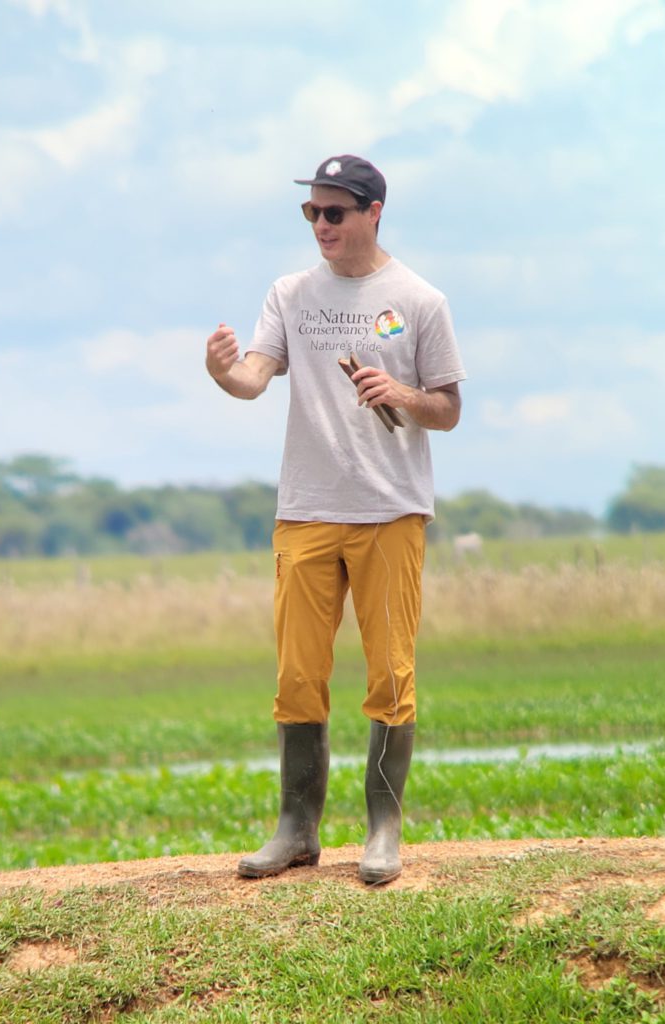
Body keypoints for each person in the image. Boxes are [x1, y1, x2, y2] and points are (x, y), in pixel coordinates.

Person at [205, 154, 466, 884]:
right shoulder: (290, 294)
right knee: (297, 674)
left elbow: (448, 409)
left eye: (334, 213)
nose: (320, 225)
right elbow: (254, 377)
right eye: (311, 213)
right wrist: (224, 372)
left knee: (389, 671)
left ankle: (383, 830)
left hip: (389, 511)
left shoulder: (420, 300)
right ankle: (296, 829)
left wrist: (407, 395)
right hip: (307, 511)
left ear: (372, 212)